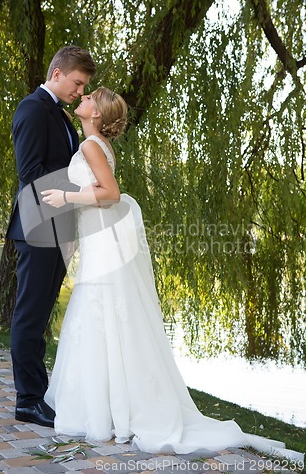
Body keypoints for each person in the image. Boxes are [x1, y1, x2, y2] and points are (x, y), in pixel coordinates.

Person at [41, 87, 303, 462]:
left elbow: (111, 193)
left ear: (96, 113)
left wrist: (65, 198)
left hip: (102, 241)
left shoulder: (90, 147)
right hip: (99, 239)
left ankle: (107, 412)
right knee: (103, 318)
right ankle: (110, 408)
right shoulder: (95, 144)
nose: (81, 99)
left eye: (88, 98)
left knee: (101, 314)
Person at [6, 46, 97, 428]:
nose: (79, 92)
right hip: (38, 226)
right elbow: (31, 172)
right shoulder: (32, 109)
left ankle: (37, 393)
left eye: (83, 87)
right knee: (29, 316)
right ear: (57, 73)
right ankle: (27, 400)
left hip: (58, 228)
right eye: (77, 83)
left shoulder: (60, 116)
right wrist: (77, 187)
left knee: (40, 313)